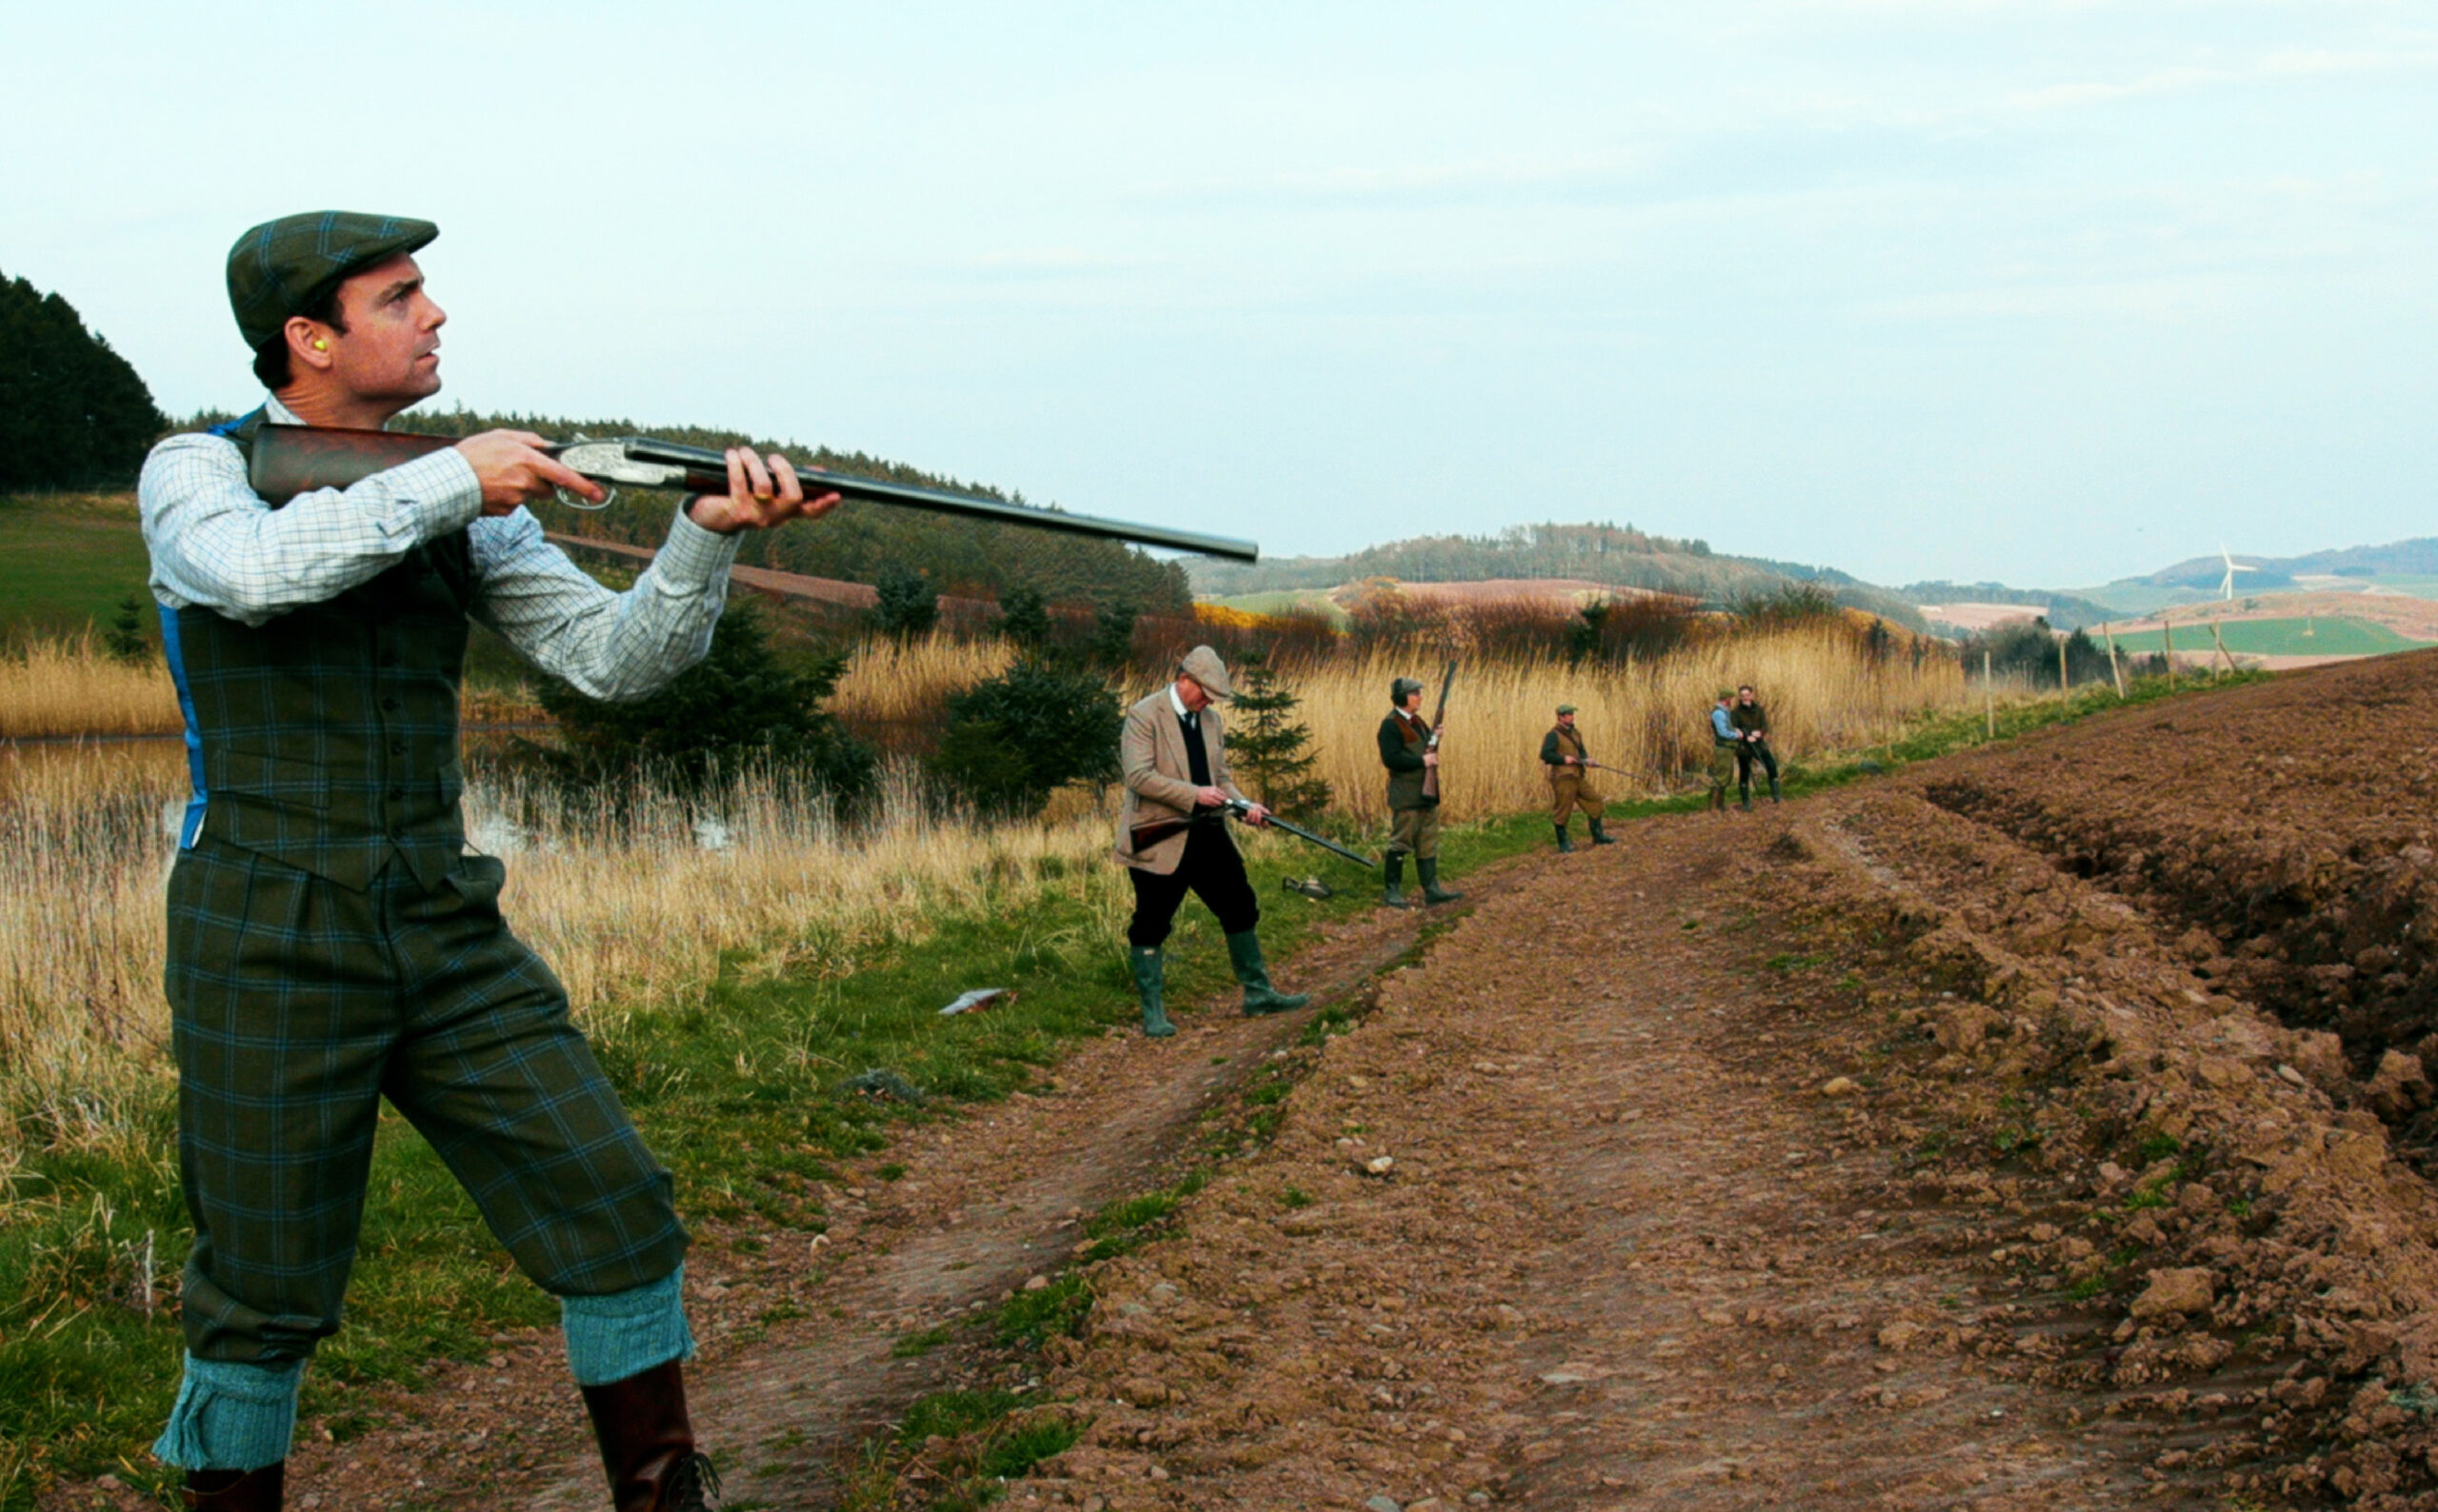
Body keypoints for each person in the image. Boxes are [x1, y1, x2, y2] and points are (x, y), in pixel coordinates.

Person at [139, 211, 841, 1512]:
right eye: (401, 298)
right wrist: (455, 478)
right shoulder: (202, 468)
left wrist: (705, 535)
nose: (435, 316)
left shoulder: (462, 494)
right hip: (261, 923)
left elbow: (611, 661)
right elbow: (245, 576)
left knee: (616, 1207)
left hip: (441, 915)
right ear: (308, 337)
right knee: (262, 1292)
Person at [1112, 646, 1309, 1037]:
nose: (1207, 702)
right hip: (1160, 837)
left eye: (1213, 698)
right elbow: (1138, 776)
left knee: (1240, 908)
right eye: (1203, 693)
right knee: (1151, 922)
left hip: (1210, 833)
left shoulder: (1211, 721)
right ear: (1183, 679)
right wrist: (1193, 794)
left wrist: (1245, 804)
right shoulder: (1143, 715)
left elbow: (1221, 776)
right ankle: (1153, 1012)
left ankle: (1258, 994)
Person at [1378, 677, 1461, 906]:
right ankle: (1392, 891)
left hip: (1426, 792)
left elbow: (1426, 751)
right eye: (1415, 693)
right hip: (1406, 794)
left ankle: (1432, 889)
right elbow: (1391, 758)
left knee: (1428, 841)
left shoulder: (1418, 722)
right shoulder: (1391, 725)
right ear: (1403, 697)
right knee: (1401, 842)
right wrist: (1421, 761)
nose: (1420, 697)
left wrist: (1436, 738)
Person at [1539, 704, 1613, 853]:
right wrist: (1564, 759)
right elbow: (1545, 754)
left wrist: (1588, 760)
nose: (1572, 716)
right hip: (1562, 778)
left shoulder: (1576, 733)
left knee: (1595, 801)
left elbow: (1582, 752)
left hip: (1578, 776)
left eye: (1572, 714)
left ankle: (1598, 836)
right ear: (1561, 717)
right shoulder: (1553, 735)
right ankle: (1563, 844)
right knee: (1563, 810)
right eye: (1569, 714)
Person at [1731, 684, 1780, 810]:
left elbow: (1765, 726)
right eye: (1742, 696)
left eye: (1747, 695)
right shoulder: (1735, 712)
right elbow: (1734, 728)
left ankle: (1776, 797)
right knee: (1744, 774)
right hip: (1744, 747)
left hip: (1759, 744)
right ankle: (1746, 803)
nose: (1745, 698)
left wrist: (1759, 733)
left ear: (1752, 695)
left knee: (1771, 766)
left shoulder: (1759, 709)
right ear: (1739, 697)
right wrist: (1742, 735)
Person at [1706, 690, 1741, 815]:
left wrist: (1734, 730)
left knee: (1726, 776)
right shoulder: (1719, 713)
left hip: (1727, 749)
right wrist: (1736, 735)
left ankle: (1720, 805)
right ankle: (1714, 807)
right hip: (1723, 749)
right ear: (1726, 699)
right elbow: (1722, 733)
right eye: (1730, 699)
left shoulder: (1724, 712)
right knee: (1721, 777)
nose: (1731, 701)